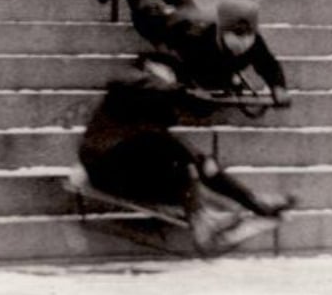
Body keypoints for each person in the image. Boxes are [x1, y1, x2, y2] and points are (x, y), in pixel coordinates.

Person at [78, 52, 295, 250]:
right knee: (171, 148)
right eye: (166, 72)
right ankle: (202, 221)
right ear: (149, 66)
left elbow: (174, 108)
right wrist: (181, 91)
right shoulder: (128, 82)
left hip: (134, 172)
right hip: (104, 166)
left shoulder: (158, 99)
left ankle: (252, 202)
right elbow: (144, 87)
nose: (170, 77)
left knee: (196, 161)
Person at [95, 0, 291, 107]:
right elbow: (170, 58)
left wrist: (278, 87)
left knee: (189, 8)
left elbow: (268, 64)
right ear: (222, 31)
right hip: (170, 27)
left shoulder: (254, 43)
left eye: (248, 36)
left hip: (195, 20)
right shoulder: (196, 38)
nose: (243, 43)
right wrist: (187, 87)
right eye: (237, 35)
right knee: (145, 10)